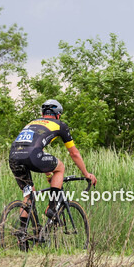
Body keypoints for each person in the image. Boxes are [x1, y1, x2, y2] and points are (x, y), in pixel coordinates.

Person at [9, 99, 96, 232]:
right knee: (60, 167)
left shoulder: (32, 123)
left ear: (43, 113)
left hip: (14, 157)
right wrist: (86, 174)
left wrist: (48, 173)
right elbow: (74, 153)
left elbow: (38, 149)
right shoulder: (59, 124)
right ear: (58, 114)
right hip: (32, 155)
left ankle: (22, 235)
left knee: (28, 196)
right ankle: (52, 207)